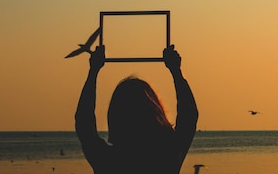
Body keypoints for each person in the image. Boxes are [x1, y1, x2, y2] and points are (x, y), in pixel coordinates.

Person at [75, 44, 198, 174]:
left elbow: (84, 121)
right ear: (154, 111)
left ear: (116, 116)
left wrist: (93, 71)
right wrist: (176, 71)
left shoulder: (107, 159)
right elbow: (189, 114)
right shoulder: (169, 154)